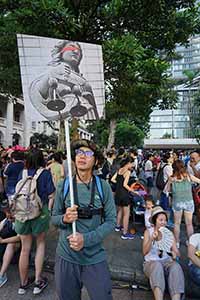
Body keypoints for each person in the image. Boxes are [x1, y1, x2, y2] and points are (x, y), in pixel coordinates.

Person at [52, 139, 116, 300]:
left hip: (94, 257)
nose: (82, 156)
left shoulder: (103, 186)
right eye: (79, 153)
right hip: (66, 255)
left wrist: (86, 239)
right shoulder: (64, 185)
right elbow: (54, 218)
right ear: (74, 158)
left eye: (88, 153)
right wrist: (65, 219)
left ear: (96, 160)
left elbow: (110, 221)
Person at [14, 150, 55, 295]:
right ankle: (38, 281)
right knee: (40, 244)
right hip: (40, 213)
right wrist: (49, 211)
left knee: (25, 249)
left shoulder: (22, 173)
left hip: (21, 213)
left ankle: (23, 284)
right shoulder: (45, 173)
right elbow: (51, 194)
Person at [29, 40, 99, 120]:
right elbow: (38, 93)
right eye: (71, 47)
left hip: (86, 111)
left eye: (78, 51)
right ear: (61, 52)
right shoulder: (52, 71)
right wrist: (53, 72)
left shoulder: (83, 80)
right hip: (64, 112)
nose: (76, 51)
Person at [143, 206, 184, 300]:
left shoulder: (169, 234)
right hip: (151, 263)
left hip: (166, 262)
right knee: (157, 266)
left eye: (165, 220)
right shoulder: (148, 232)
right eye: (161, 220)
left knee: (176, 267)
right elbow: (145, 252)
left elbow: (178, 254)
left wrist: (175, 254)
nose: (163, 222)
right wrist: (151, 239)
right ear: (154, 221)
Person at [164, 159, 200, 248]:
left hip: (177, 202)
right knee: (189, 224)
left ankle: (177, 242)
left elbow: (167, 190)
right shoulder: (188, 176)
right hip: (189, 202)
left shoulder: (172, 178)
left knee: (177, 224)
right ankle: (191, 243)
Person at [111, 156, 135, 239]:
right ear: (128, 163)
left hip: (117, 194)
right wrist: (133, 191)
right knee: (126, 214)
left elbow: (112, 179)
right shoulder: (127, 172)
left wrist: (119, 183)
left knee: (120, 211)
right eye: (131, 163)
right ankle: (125, 233)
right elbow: (125, 185)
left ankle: (118, 226)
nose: (132, 165)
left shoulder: (119, 170)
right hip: (124, 194)